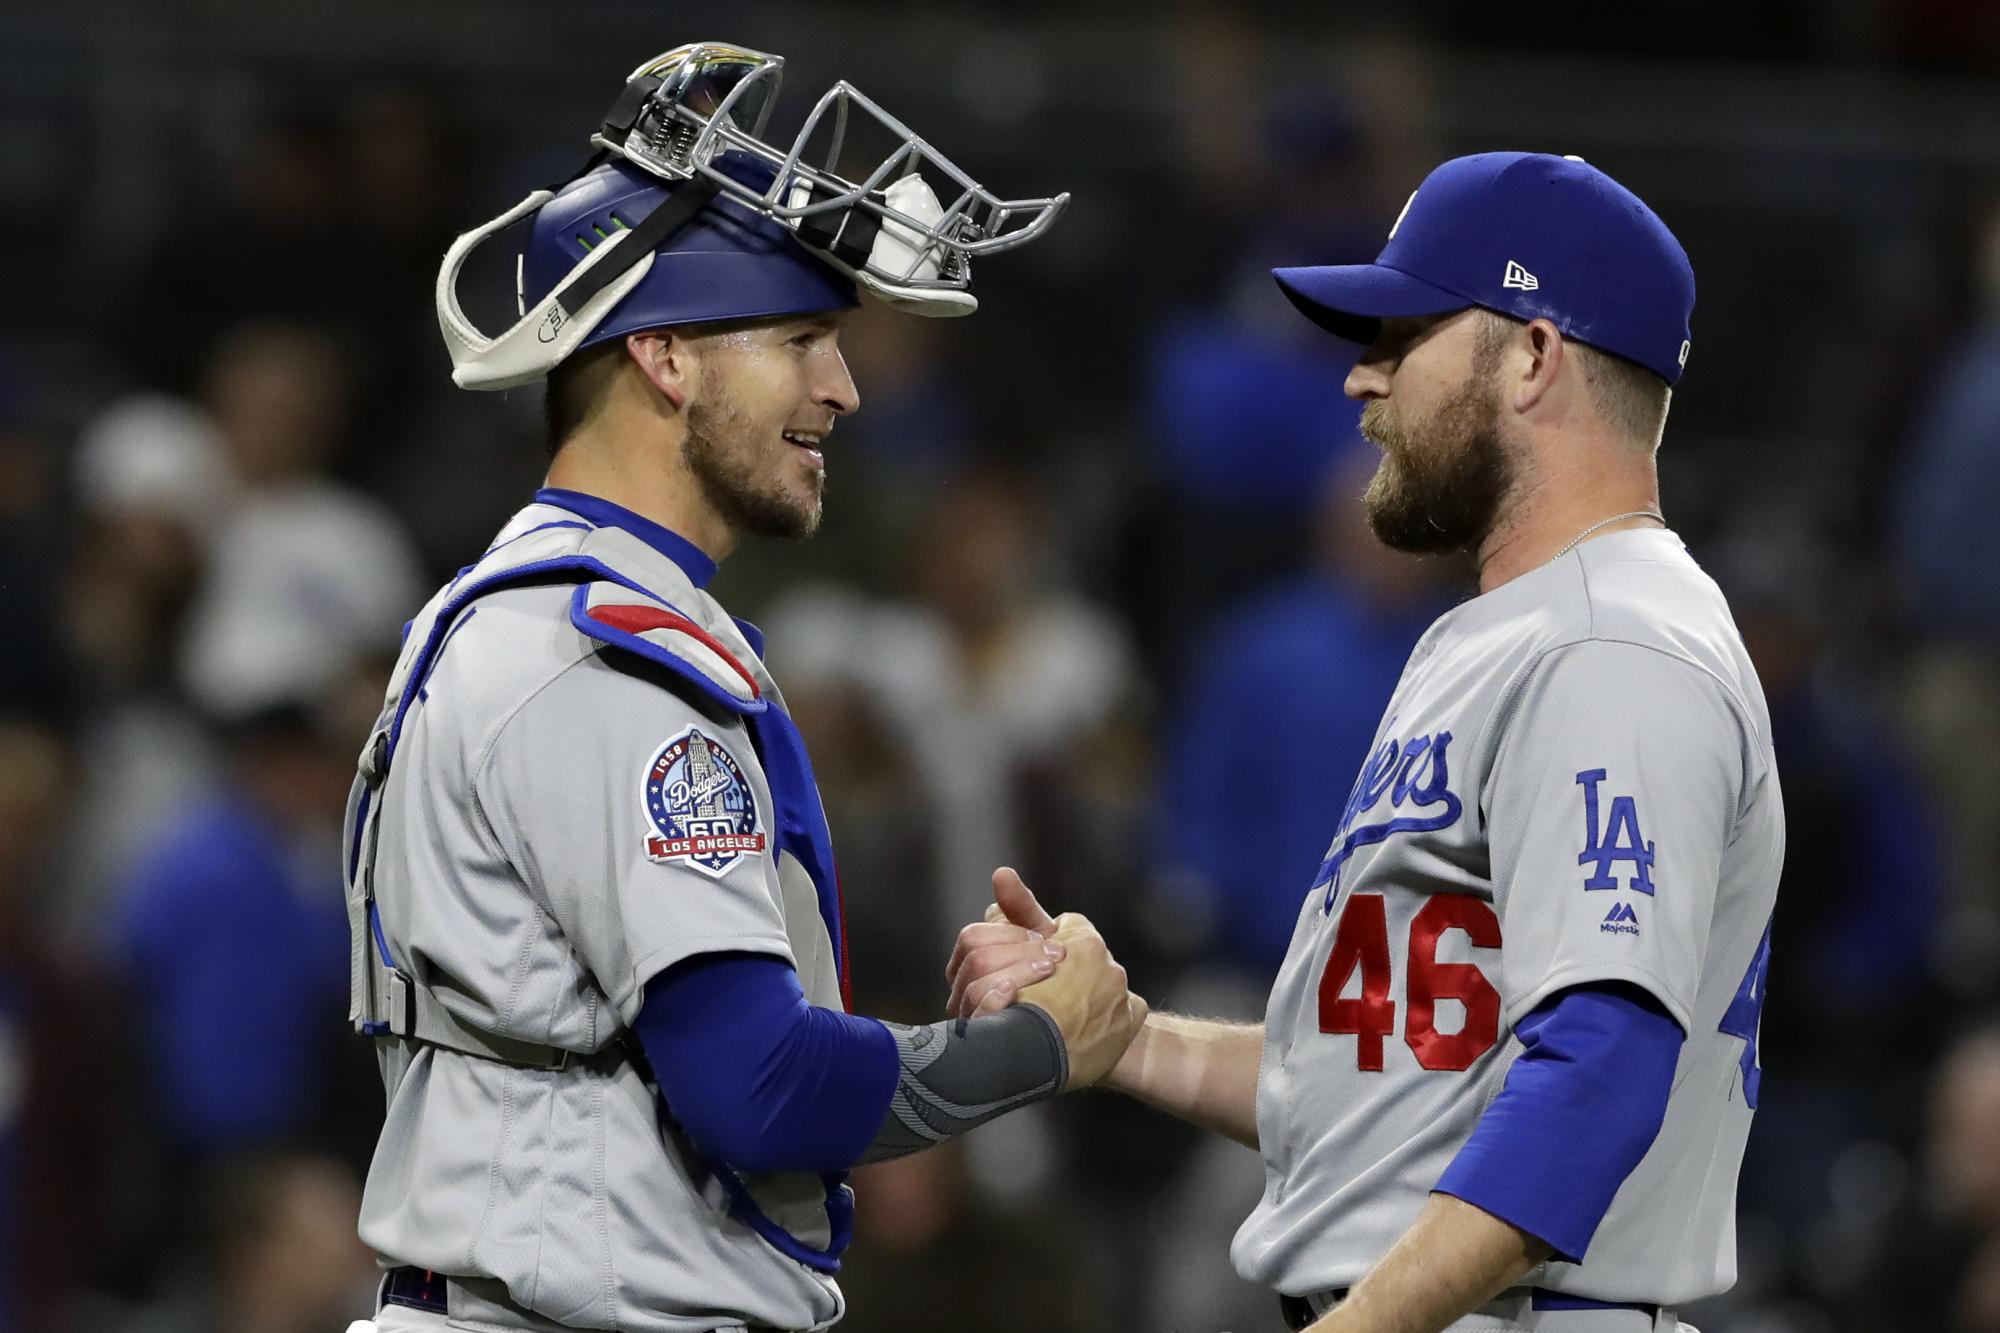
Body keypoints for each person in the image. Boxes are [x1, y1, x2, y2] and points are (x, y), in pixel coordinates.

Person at [340, 41, 1142, 1333]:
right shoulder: (601, 654)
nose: (846, 386)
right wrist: (1049, 1041)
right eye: (802, 338)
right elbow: (756, 1084)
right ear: (665, 354)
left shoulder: (536, 608)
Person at [953, 152, 1782, 1333]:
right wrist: (1127, 1039)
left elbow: (1595, 1074)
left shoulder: (1612, 648)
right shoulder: (1505, 633)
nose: (1357, 377)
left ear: (1533, 355)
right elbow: (1381, 1084)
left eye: (1402, 335)